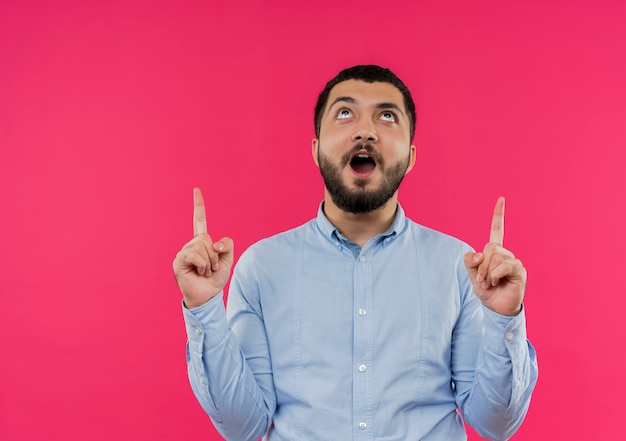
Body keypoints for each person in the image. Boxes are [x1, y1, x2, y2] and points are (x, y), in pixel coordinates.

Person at [173, 65, 538, 441]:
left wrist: (503, 319)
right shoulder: (261, 267)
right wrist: (204, 310)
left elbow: (495, 424)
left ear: (411, 157)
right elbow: (243, 427)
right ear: (316, 150)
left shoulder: (459, 266)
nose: (365, 131)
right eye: (345, 113)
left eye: (387, 116)